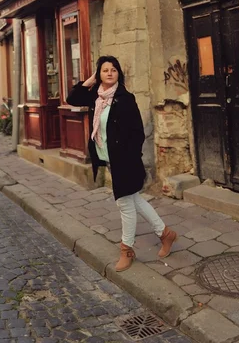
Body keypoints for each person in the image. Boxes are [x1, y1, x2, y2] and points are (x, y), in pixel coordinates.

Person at [67, 55, 177, 272]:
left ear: (119, 74)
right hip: (108, 158)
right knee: (134, 199)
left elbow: (137, 132)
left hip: (124, 161)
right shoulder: (96, 97)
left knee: (124, 204)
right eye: (105, 70)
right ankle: (166, 234)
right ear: (99, 74)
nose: (109, 73)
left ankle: (126, 249)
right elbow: (72, 98)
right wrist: (89, 81)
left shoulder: (125, 98)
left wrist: (128, 157)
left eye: (113, 70)